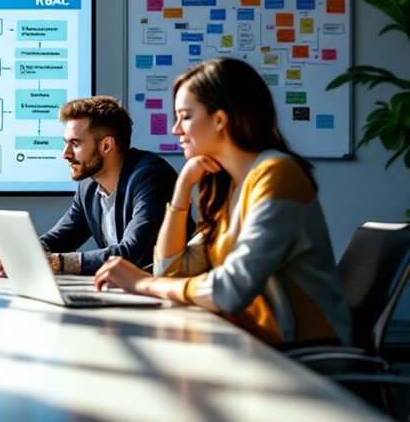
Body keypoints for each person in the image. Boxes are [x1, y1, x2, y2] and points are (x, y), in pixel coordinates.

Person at [94, 58, 352, 347]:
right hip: (254, 341)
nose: (175, 129)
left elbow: (231, 290)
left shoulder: (278, 175)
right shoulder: (228, 184)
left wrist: (143, 284)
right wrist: (182, 190)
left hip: (302, 352)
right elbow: (170, 270)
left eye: (185, 116)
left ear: (220, 120)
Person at [0, 96, 186, 276]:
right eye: (66, 143)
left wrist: (55, 263)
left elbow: (131, 254)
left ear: (106, 145)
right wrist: (23, 252)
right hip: (121, 293)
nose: (65, 154)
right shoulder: (89, 187)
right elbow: (62, 237)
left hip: (164, 294)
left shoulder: (151, 176)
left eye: (75, 144)